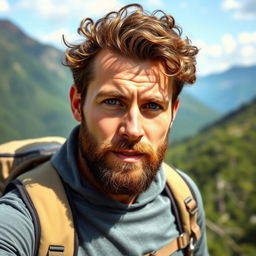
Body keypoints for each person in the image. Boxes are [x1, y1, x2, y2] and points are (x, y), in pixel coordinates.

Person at [0, 4, 209, 256]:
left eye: (152, 105)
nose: (132, 129)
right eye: (112, 102)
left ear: (172, 113)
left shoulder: (183, 200)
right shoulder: (25, 220)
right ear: (78, 105)